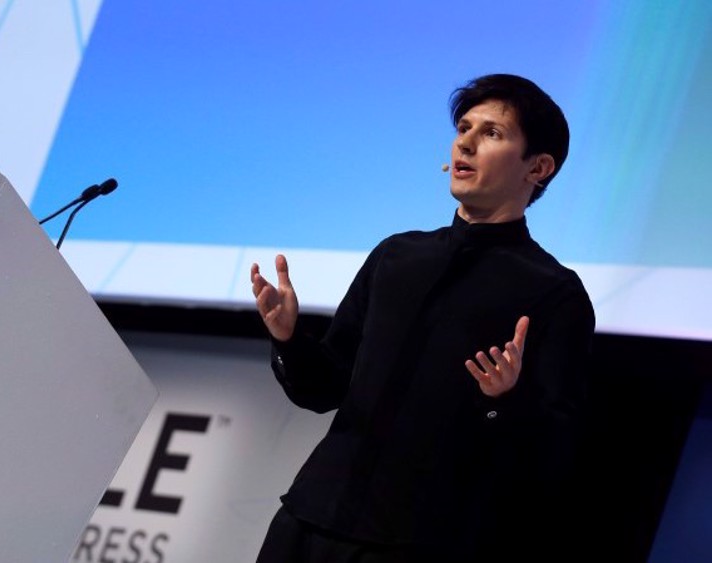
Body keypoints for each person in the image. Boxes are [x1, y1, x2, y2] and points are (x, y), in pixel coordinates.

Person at [250, 74, 595, 562]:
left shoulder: (553, 293)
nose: (466, 142)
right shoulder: (397, 256)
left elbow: (554, 456)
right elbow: (320, 391)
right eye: (464, 127)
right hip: (309, 520)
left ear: (538, 167)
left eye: (492, 133)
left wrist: (503, 401)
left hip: (418, 542)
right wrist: (289, 339)